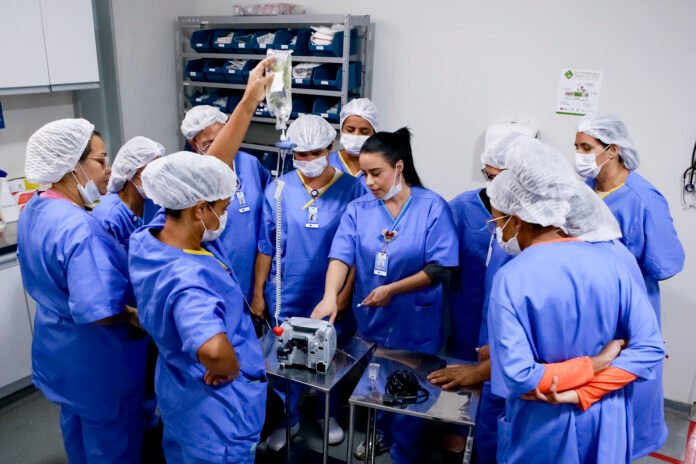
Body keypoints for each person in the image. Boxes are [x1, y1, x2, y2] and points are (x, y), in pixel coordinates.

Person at [484, 137, 665, 463]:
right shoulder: (613, 263)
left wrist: (589, 367)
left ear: (517, 220)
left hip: (543, 425)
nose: (498, 233)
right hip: (607, 422)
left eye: (497, 222)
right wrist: (587, 389)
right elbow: (650, 349)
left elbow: (520, 377)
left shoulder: (512, 278)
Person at [312, 127, 459, 463]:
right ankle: (380, 435)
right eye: (364, 174)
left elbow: (441, 267)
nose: (369, 182)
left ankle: (404, 451)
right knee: (376, 385)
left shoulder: (432, 207)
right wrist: (331, 295)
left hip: (416, 321)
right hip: (373, 321)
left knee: (412, 393)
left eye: (376, 173)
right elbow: (341, 256)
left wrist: (392, 289)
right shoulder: (359, 209)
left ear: (399, 167)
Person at [18, 119, 148, 463]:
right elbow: (100, 308)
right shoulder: (79, 228)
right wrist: (137, 317)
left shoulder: (35, 208)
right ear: (72, 165)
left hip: (60, 352)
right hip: (97, 363)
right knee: (111, 447)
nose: (108, 170)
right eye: (101, 160)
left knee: (77, 435)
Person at [129, 153, 266, 464]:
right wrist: (230, 368)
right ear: (200, 209)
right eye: (223, 209)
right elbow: (213, 350)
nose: (224, 218)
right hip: (217, 416)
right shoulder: (189, 279)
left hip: (180, 398)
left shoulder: (149, 239)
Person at [575, 113, 685, 458]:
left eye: (586, 147)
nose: (579, 154)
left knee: (625, 386)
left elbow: (667, 263)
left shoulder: (643, 198)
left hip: (627, 308)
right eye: (576, 147)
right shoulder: (584, 191)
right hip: (587, 307)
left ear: (613, 149)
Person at [252, 114, 363, 450]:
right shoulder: (279, 189)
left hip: (330, 291)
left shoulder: (352, 188)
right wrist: (258, 292)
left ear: (330, 148)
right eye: (301, 153)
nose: (308, 160)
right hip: (286, 290)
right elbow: (266, 244)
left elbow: (357, 248)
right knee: (284, 356)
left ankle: (326, 413)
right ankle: (288, 419)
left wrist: (343, 293)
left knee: (330, 355)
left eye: (316, 153)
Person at [181, 105, 271, 302]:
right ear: (193, 144)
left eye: (223, 138)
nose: (219, 147)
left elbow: (270, 210)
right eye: (208, 144)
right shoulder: (191, 178)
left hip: (255, 271)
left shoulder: (250, 164)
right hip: (216, 275)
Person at [92, 136, 164, 250]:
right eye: (151, 171)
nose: (157, 178)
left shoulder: (154, 203)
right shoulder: (108, 217)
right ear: (130, 172)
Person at [328, 98, 378, 193]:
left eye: (364, 132)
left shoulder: (380, 167)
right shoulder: (327, 163)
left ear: (374, 133)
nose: (356, 135)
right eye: (350, 130)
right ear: (341, 129)